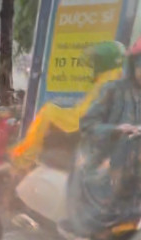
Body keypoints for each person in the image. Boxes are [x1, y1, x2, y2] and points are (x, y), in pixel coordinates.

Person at [66, 34, 141, 240]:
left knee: (140, 205)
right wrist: (115, 129)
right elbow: (87, 124)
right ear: (134, 64)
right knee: (92, 220)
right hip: (99, 166)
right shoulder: (112, 89)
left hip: (129, 166)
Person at [10, 41, 129, 169]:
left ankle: (25, 158)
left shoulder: (106, 81)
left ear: (104, 62)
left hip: (89, 134)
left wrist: (56, 113)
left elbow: (82, 115)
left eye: (97, 61)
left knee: (47, 111)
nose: (94, 65)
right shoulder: (117, 78)